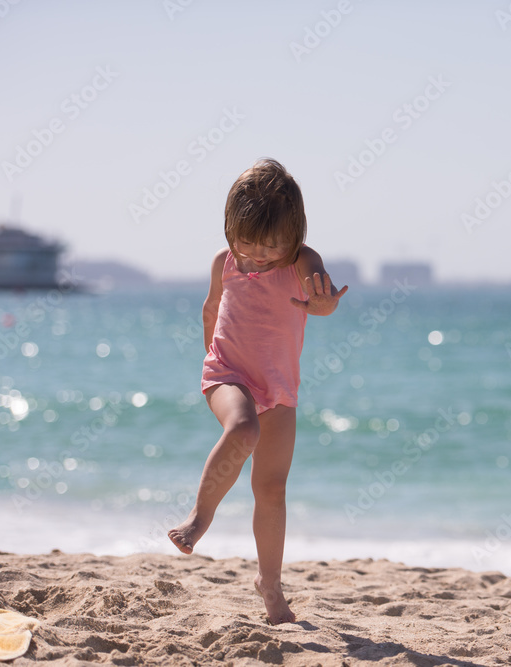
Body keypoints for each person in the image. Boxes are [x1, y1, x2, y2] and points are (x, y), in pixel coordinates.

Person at [168, 158, 347, 624]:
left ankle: (269, 584)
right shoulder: (223, 263)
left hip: (280, 388)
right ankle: (199, 517)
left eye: (270, 247)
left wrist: (324, 304)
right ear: (230, 229)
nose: (256, 255)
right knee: (242, 427)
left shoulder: (302, 261)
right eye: (245, 244)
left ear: (293, 236)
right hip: (228, 373)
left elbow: (320, 300)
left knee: (271, 488)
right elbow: (211, 311)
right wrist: (212, 363)